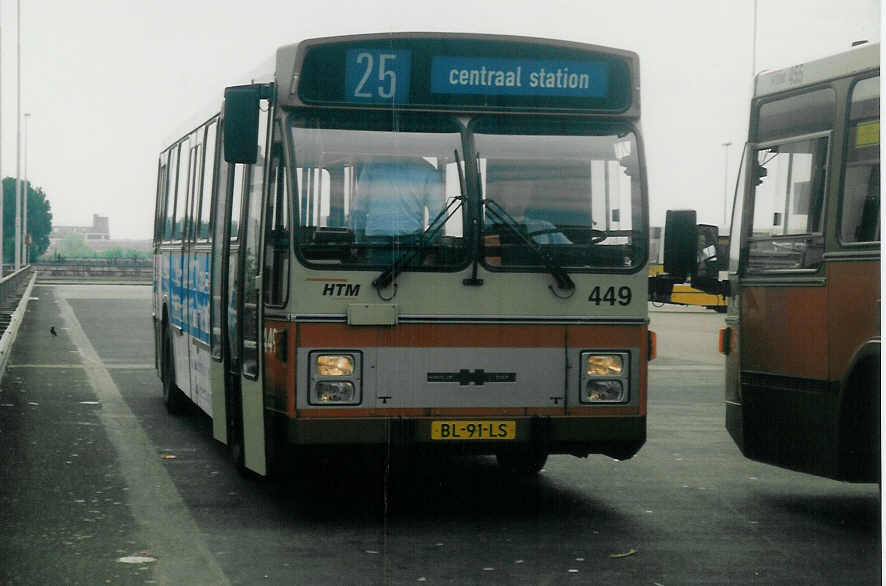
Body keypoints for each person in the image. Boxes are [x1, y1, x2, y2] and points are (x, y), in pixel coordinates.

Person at [351, 157, 445, 239]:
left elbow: (359, 208)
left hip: (376, 242)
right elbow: (439, 215)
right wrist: (428, 245)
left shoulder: (371, 166)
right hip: (411, 244)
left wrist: (360, 243)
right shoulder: (427, 169)